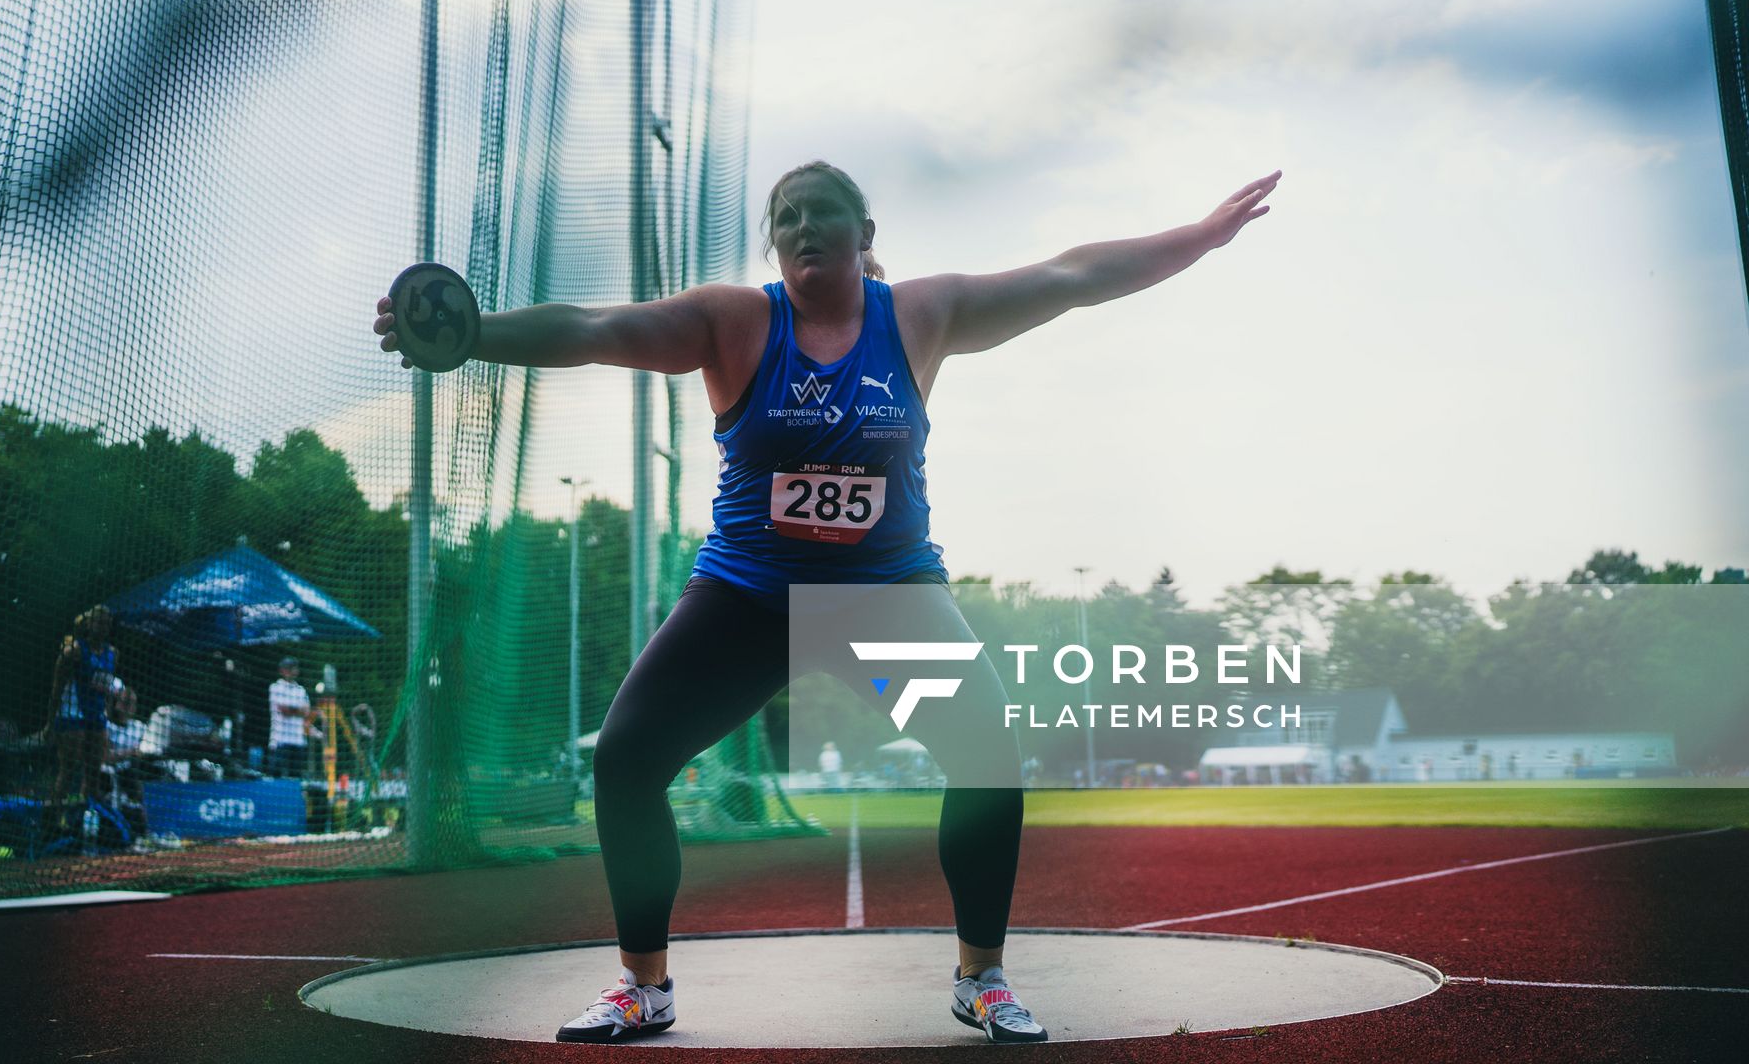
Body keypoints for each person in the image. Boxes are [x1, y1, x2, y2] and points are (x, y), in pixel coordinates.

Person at [373, 160, 1278, 1044]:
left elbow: (1072, 277)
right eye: (787, 216)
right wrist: (472, 334)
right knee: (625, 759)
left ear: (865, 235)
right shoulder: (731, 323)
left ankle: (982, 980)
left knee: (987, 755)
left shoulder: (923, 314)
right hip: (749, 595)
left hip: (883, 598)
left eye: (823, 212)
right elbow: (599, 326)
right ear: (772, 245)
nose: (804, 227)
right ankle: (642, 989)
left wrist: (1197, 239)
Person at [46, 605, 119, 837]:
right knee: (68, 769)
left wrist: (106, 712)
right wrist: (50, 723)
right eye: (99, 622)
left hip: (96, 717)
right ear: (88, 624)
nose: (103, 627)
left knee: (93, 772)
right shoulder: (74, 651)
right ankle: (54, 821)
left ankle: (86, 820)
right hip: (71, 716)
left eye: (107, 623)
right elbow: (56, 688)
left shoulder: (112, 653)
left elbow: (107, 687)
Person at [267, 656, 313, 779]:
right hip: (280, 740)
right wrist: (298, 710)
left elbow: (307, 712)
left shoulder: (301, 690)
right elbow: (283, 709)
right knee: (275, 777)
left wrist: (293, 710)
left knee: (295, 778)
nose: (292, 671)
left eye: (293, 668)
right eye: (288, 668)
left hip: (298, 740)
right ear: (282, 670)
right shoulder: (276, 687)